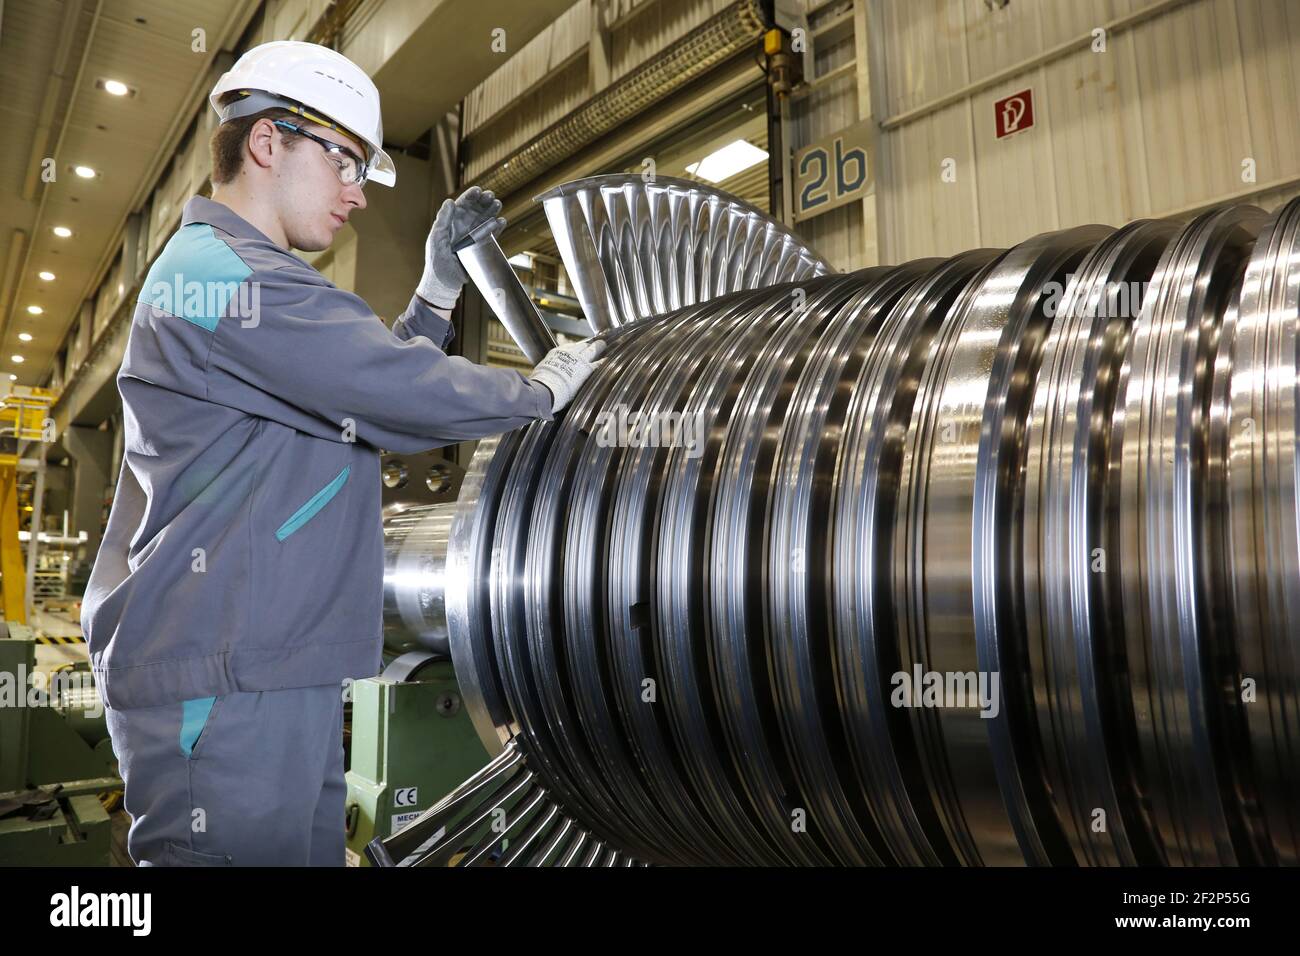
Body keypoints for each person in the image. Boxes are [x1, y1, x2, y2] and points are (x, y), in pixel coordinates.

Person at [81, 40, 603, 866]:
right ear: (267, 143)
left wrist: (435, 293)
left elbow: (348, 392)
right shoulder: (223, 277)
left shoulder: (243, 280)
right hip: (222, 682)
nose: (358, 196)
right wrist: (537, 392)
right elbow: (386, 390)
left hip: (264, 671)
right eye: (347, 163)